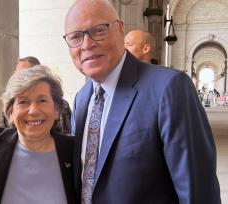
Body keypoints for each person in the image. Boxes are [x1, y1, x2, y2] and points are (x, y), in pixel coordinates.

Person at [63, 0, 220, 203]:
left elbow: (198, 192)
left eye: (98, 30)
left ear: (120, 29)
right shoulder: (82, 98)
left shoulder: (169, 88)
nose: (87, 44)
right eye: (75, 37)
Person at [0, 66, 76, 204]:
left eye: (42, 100)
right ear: (10, 113)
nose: (33, 111)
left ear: (56, 110)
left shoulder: (75, 151)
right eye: (23, 102)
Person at [2, 56, 72, 135]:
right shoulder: (11, 106)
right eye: (17, 74)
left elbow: (67, 133)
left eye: (27, 73)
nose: (33, 111)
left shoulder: (61, 105)